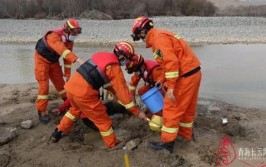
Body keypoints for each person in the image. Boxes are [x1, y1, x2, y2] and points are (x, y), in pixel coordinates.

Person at [50, 42, 147, 149]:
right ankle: (112, 145)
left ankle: (57, 132)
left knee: (74, 110)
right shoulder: (114, 68)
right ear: (121, 55)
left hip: (70, 88)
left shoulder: (100, 55)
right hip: (85, 94)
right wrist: (138, 112)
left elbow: (99, 77)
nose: (127, 61)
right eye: (128, 58)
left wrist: (114, 92)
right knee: (104, 121)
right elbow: (125, 97)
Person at [131, 16, 202, 153]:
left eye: (139, 36)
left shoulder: (158, 39)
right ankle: (184, 135)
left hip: (184, 77)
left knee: (171, 108)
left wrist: (171, 87)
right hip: (193, 73)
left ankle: (167, 144)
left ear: (142, 32)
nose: (141, 39)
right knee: (187, 108)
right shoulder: (162, 34)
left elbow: (171, 63)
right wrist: (162, 79)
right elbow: (169, 63)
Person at [34, 18, 84, 124]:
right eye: (74, 31)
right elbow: (63, 51)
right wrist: (77, 60)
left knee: (61, 84)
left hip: (53, 61)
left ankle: (67, 102)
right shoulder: (54, 36)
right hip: (41, 61)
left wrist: (67, 74)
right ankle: (41, 111)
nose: (75, 34)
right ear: (67, 29)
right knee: (44, 87)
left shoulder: (69, 41)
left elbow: (66, 58)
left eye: (77, 31)